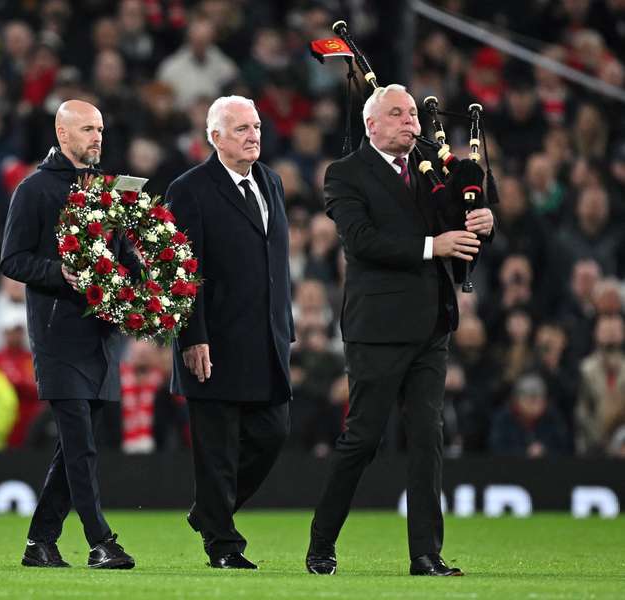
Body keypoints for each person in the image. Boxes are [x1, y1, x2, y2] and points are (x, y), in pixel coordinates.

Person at [305, 84, 494, 577]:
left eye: (413, 114)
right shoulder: (345, 174)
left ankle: (426, 555)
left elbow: (463, 226)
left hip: (432, 324)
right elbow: (363, 242)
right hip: (378, 329)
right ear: (371, 125)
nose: (411, 122)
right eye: (398, 114)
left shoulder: (435, 163)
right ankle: (321, 542)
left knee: (428, 438)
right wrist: (435, 245)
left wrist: (484, 221)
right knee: (363, 438)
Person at [0, 99, 135, 570]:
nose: (97, 137)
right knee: (80, 445)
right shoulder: (33, 190)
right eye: (87, 130)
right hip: (57, 335)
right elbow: (11, 259)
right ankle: (101, 540)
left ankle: (40, 541)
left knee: (72, 447)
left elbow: (121, 254)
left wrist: (147, 289)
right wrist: (63, 274)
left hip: (100, 333)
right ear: (62, 134)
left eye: (100, 129)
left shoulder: (108, 188)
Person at [167, 95, 293, 569]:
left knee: (274, 431)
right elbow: (180, 271)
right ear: (214, 137)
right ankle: (223, 545)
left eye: (256, 126)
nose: (253, 135)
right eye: (241, 128)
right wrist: (191, 336)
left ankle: (209, 511)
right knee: (216, 451)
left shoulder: (272, 182)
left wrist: (286, 326)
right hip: (213, 341)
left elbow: (275, 264)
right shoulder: (190, 189)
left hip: (267, 339)